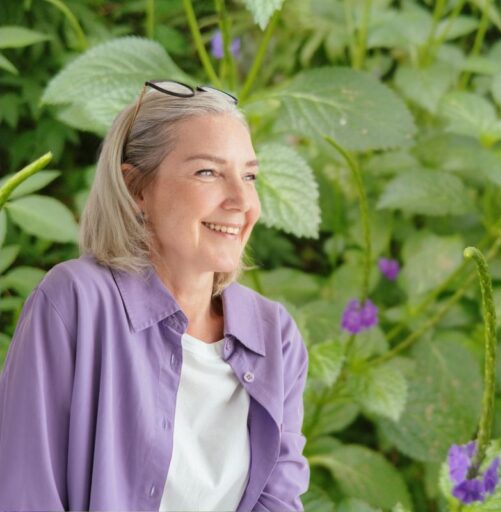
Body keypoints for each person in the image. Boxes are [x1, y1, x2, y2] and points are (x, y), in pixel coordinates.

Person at [0, 80, 310, 511]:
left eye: (249, 176)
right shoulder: (75, 303)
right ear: (136, 189)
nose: (242, 200)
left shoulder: (276, 336)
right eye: (208, 172)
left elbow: (279, 499)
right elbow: (24, 492)